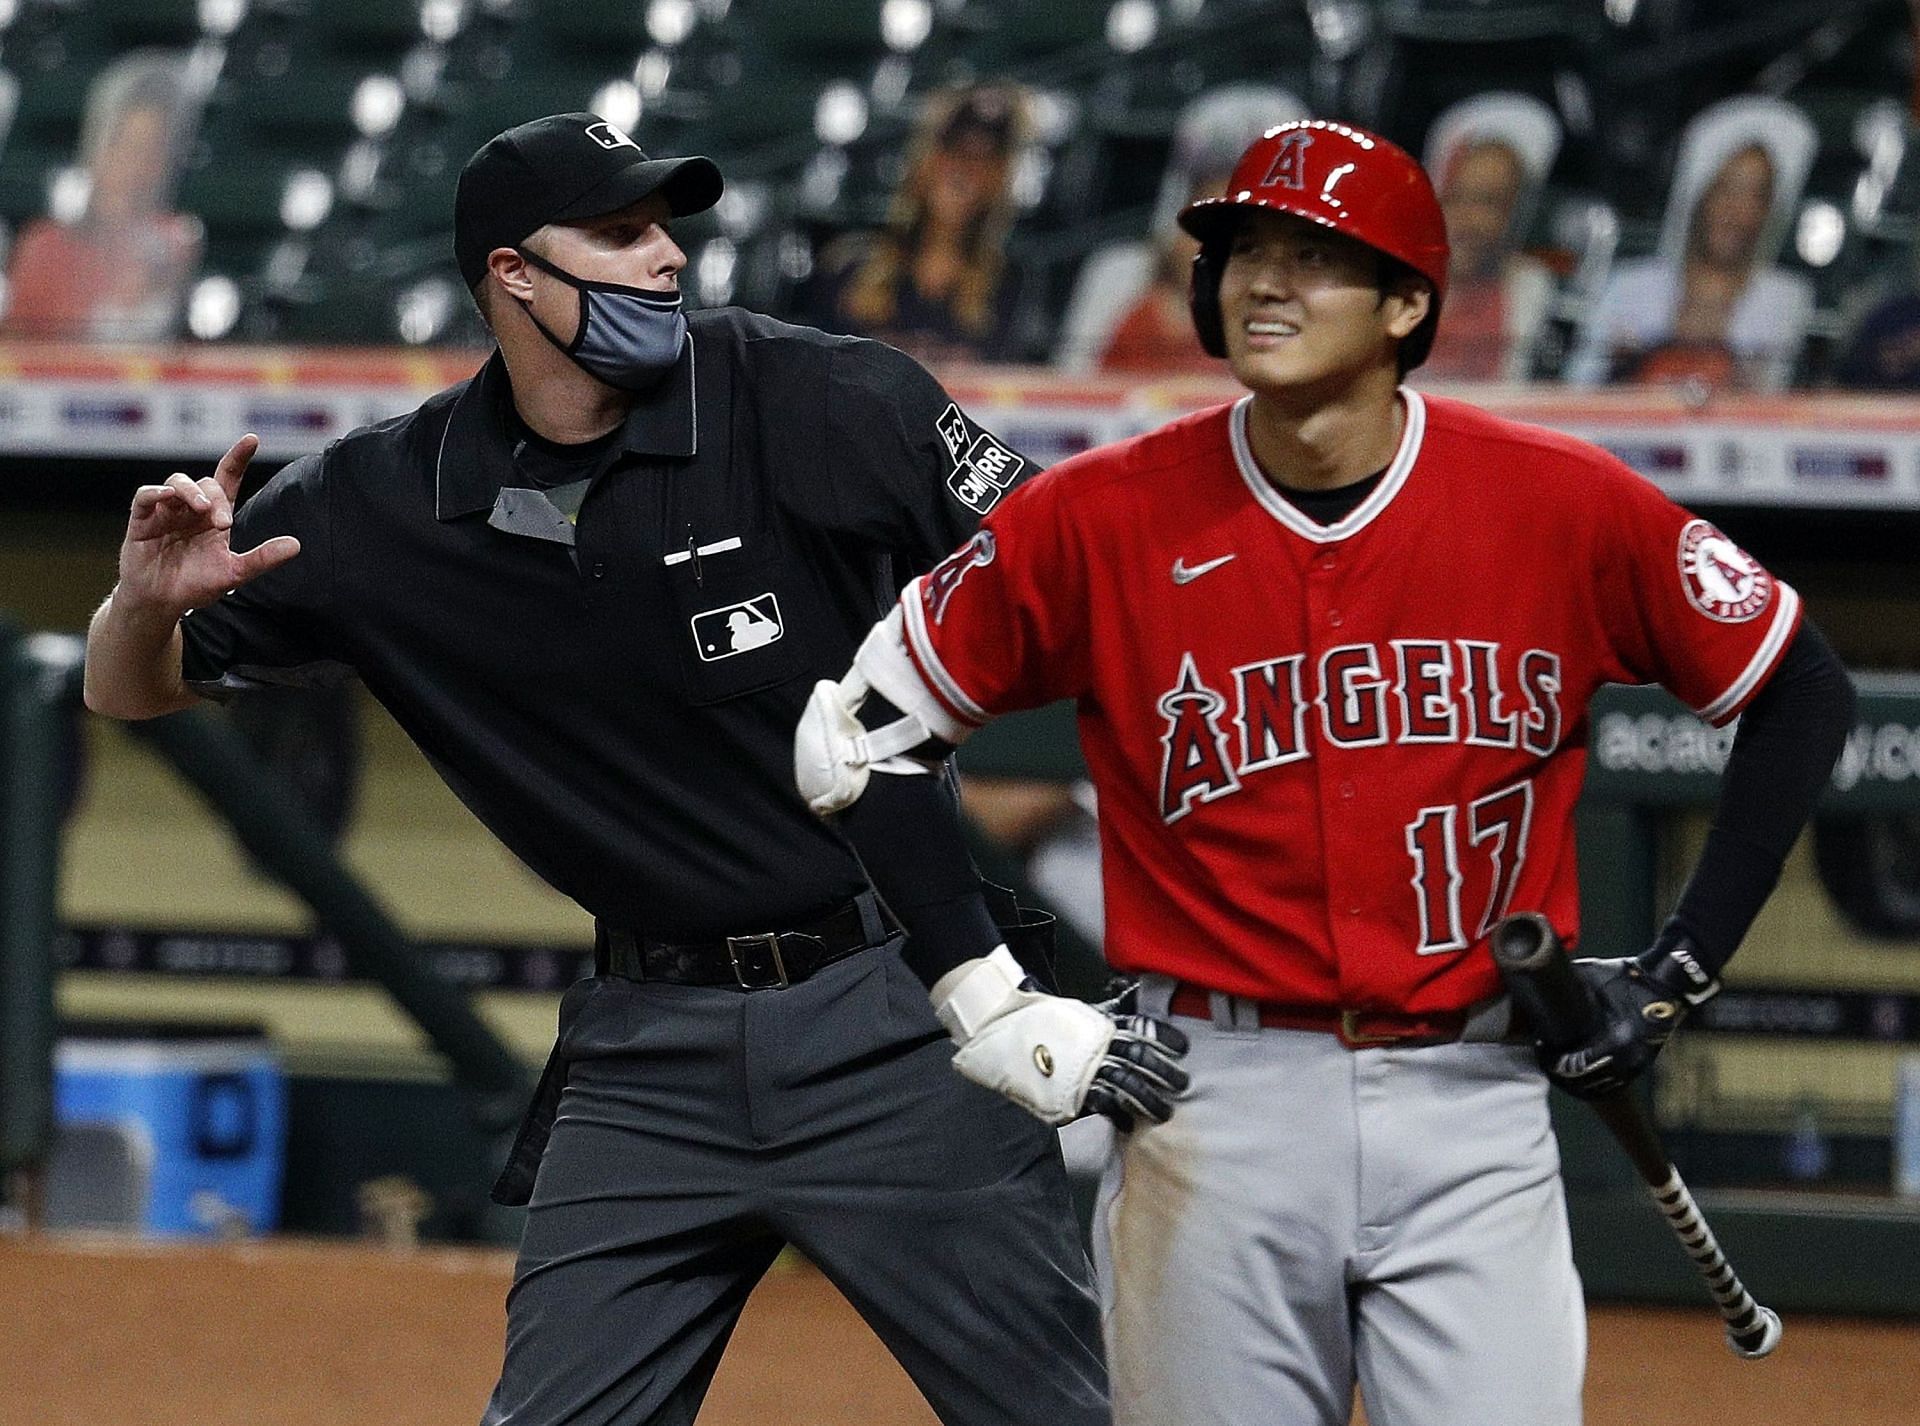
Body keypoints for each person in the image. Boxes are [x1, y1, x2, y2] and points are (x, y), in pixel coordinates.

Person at [80, 111, 1171, 1426]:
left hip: (886, 1013)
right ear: (514, 278)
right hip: (647, 1050)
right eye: (618, 231)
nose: (665, 257)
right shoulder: (380, 500)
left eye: (667, 225)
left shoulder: (824, 399)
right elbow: (122, 687)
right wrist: (142, 603)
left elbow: (1095, 590)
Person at [795, 119, 1856, 1425]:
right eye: (1244, 249)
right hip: (1210, 1102)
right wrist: (984, 994)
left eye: (1316, 256)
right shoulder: (1098, 513)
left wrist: (1680, 968)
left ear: (1410, 302)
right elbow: (858, 736)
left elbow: (1800, 682)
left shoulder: (1559, 501)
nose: (1265, 282)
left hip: (1472, 1101)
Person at [1566, 96, 1815, 391]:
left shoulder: (1785, 300)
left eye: (1757, 197)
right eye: (1727, 189)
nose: (1737, 213)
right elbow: (1578, 389)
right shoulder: (1627, 287)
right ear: (1697, 195)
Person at [1064, 85, 1308, 375]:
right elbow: (1069, 387)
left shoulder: (1313, 297)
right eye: (1213, 218)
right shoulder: (1122, 275)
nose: (1225, 244)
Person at [810, 82, 1032, 364]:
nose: (963, 173)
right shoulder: (848, 269)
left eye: (983, 160)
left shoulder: (1007, 290)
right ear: (925, 160)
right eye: (954, 151)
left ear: (999, 179)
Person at [2, 50, 203, 342]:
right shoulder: (45, 248)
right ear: (96, 147)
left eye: (153, 150)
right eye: (126, 146)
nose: (137, 167)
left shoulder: (176, 242)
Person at [1418, 92, 1561, 383]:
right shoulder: (1399, 286)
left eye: (1488, 202)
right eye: (1454, 198)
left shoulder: (1529, 290)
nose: (1465, 220)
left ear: (1515, 213)